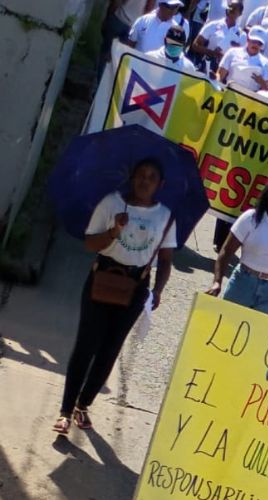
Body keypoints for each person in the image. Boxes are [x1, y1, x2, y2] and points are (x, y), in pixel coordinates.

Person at [52, 159, 177, 435]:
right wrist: (114, 231)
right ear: (132, 177)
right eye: (141, 175)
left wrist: (158, 290)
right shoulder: (111, 204)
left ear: (160, 185)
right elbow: (89, 243)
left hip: (136, 287)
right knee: (86, 345)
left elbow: (166, 259)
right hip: (102, 277)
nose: (145, 181)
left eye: (152, 177)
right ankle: (64, 411)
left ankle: (83, 405)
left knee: (110, 349)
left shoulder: (166, 216)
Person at [207, 174, 268, 316]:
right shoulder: (251, 218)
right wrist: (217, 282)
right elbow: (226, 251)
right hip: (244, 282)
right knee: (228, 329)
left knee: (260, 336)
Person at [99, 0, 156, 79]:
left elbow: (116, 2)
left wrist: (108, 16)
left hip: (118, 19)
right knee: (119, 59)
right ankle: (109, 86)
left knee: (105, 53)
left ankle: (98, 84)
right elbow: (149, 8)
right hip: (132, 27)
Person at [190, 0, 245, 74]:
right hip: (207, 66)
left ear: (240, 13)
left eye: (234, 9)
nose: (231, 10)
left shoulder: (242, 35)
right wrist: (212, 53)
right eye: (229, 7)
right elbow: (195, 45)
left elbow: (242, 59)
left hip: (225, 72)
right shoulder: (213, 25)